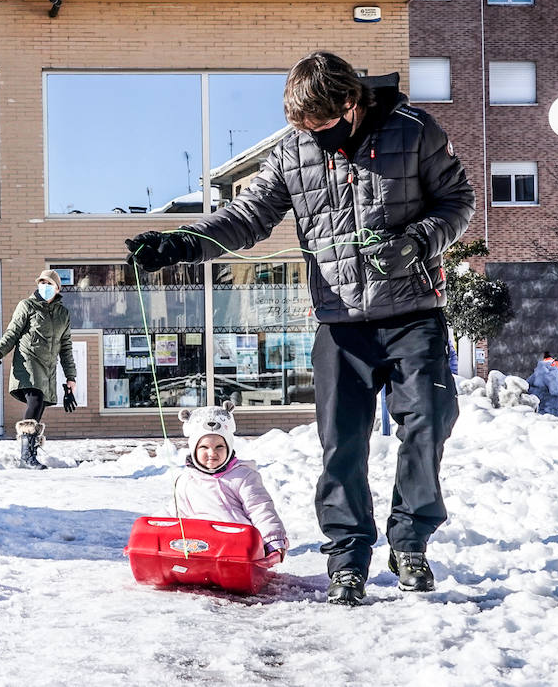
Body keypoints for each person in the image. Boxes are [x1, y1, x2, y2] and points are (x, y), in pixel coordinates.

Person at [126, 51, 474, 606]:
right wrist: (181, 243)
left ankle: (410, 542)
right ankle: (348, 558)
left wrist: (414, 243)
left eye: (319, 122)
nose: (310, 133)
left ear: (349, 102)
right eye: (301, 125)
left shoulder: (414, 131)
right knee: (341, 445)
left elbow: (459, 202)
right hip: (341, 323)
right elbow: (247, 217)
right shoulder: (294, 151)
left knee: (427, 426)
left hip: (413, 313)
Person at [0, 269, 78, 470]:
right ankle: (26, 457)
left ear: (57, 288)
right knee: (34, 399)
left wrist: (71, 377)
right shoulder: (27, 306)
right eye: (41, 282)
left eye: (49, 283)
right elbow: (13, 332)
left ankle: (30, 451)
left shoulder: (63, 313)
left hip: (48, 368)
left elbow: (66, 347)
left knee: (39, 406)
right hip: (27, 362)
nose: (44, 286)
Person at [172, 404, 288, 561]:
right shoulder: (186, 480)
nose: (212, 453)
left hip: (237, 548)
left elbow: (260, 509)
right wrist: (150, 534)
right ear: (194, 449)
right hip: (196, 550)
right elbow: (175, 513)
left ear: (229, 447)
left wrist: (273, 539)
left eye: (219, 446)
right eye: (204, 447)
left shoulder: (242, 477)